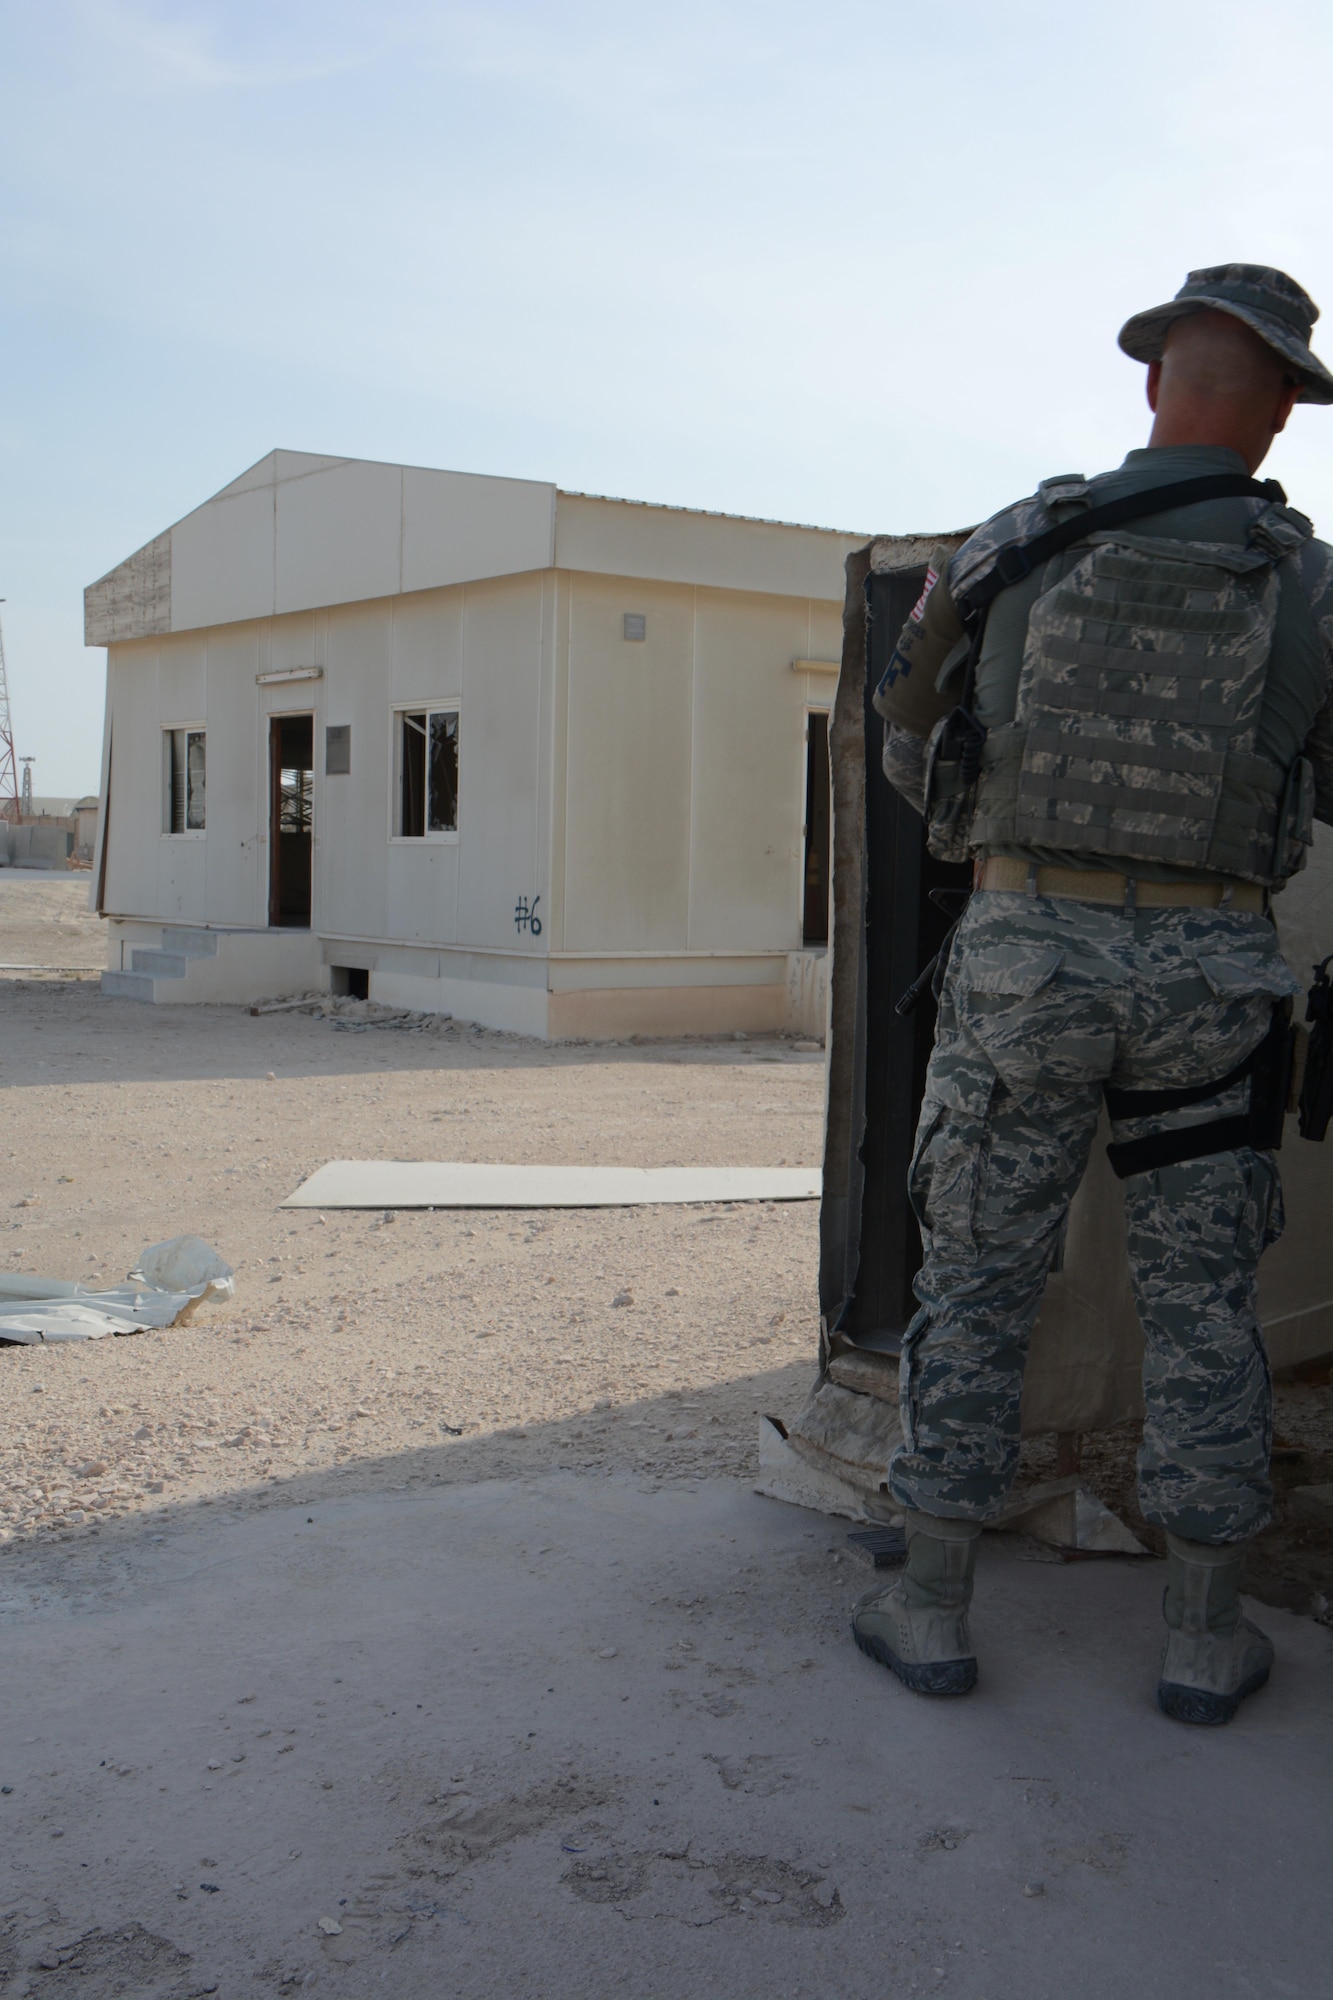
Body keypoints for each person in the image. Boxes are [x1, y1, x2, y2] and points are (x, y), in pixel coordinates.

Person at [853, 265, 1333, 1725]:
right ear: (1276, 420)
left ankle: (929, 1603)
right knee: (1200, 1304)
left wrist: (1000, 855)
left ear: (1152, 386)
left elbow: (906, 723)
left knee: (979, 1277)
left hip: (1023, 966)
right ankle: (1199, 1636)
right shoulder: (1307, 579)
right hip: (1208, 978)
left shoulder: (1016, 540)